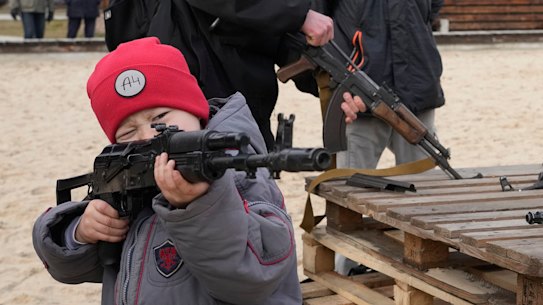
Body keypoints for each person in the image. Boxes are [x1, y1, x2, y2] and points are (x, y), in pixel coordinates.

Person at [32, 37, 302, 305]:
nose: (148, 135)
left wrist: (201, 206)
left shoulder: (235, 172)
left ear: (194, 110)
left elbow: (255, 279)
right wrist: (80, 232)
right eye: (128, 132)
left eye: (161, 120)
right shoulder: (130, 182)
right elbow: (75, 269)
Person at [103, 0, 334, 151]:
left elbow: (278, 40)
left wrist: (330, 84)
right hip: (193, 106)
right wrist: (297, 14)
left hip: (238, 107)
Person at [324, 0, 446, 275]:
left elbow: (434, 5)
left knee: (426, 191)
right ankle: (345, 271)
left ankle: (427, 268)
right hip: (358, 93)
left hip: (417, 88)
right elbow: (317, 13)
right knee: (349, 194)